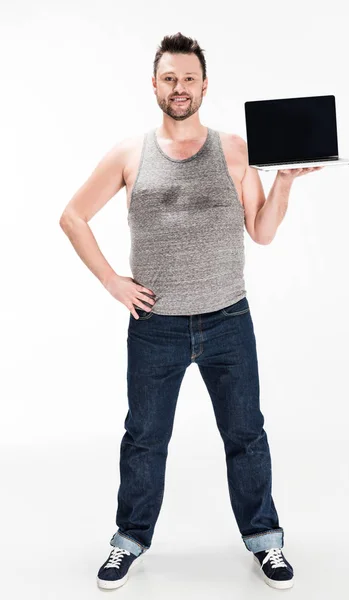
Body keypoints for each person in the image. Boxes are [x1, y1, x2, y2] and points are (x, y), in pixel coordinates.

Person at [59, 32, 322, 591]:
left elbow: (263, 232)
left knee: (246, 434)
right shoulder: (130, 153)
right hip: (155, 327)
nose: (180, 88)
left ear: (205, 85)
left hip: (229, 320)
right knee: (144, 438)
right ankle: (128, 540)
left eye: (189, 78)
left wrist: (283, 183)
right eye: (170, 78)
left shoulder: (235, 150)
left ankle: (266, 542)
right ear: (155, 85)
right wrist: (113, 283)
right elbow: (73, 217)